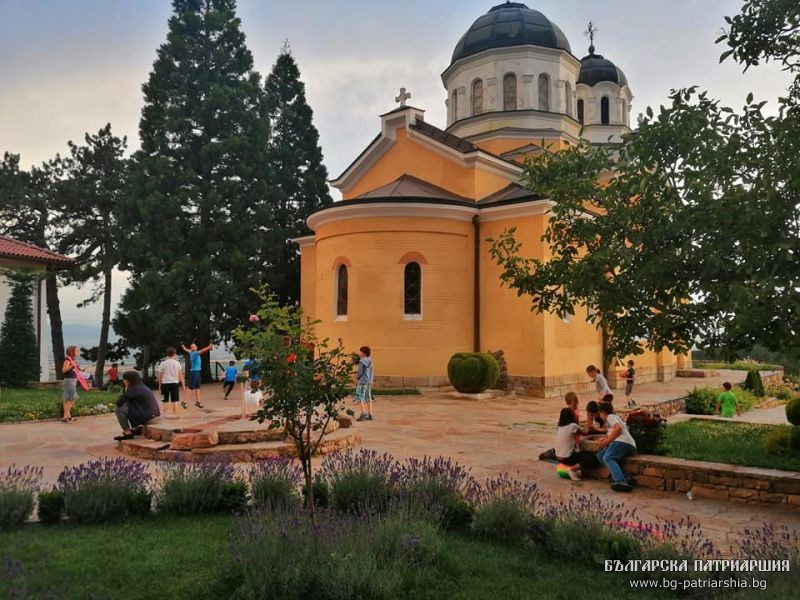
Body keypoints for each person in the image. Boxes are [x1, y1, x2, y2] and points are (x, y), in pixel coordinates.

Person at [596, 401, 637, 492]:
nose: (600, 416)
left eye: (600, 413)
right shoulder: (611, 420)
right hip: (625, 444)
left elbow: (618, 428)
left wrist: (607, 442)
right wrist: (604, 440)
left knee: (608, 457)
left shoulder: (610, 416)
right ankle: (626, 477)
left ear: (603, 412)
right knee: (600, 455)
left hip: (623, 442)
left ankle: (620, 481)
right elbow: (611, 433)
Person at [114, 371, 161, 441]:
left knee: (119, 409)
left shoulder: (133, 389)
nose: (123, 381)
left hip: (147, 417)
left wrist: (126, 389)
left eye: (124, 379)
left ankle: (127, 432)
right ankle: (135, 429)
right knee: (129, 404)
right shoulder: (141, 386)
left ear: (129, 380)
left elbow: (118, 402)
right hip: (154, 415)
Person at [554, 407, 588, 481]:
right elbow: (585, 433)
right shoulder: (573, 426)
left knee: (578, 452)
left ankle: (577, 471)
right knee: (591, 458)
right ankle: (572, 469)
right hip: (567, 457)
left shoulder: (559, 426)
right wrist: (587, 424)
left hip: (558, 456)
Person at [181, 342, 213, 408]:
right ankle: (184, 402)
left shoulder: (191, 352)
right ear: (192, 348)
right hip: (194, 372)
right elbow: (202, 350)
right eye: (192, 346)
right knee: (190, 387)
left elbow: (187, 350)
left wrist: (184, 347)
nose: (194, 347)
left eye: (195, 346)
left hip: (197, 372)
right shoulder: (195, 353)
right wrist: (209, 347)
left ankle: (198, 402)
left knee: (198, 387)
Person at [157, 347, 185, 414]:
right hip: (174, 384)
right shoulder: (177, 363)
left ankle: (165, 415)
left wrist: (159, 385)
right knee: (175, 401)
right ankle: (175, 415)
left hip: (164, 384)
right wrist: (183, 385)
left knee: (164, 400)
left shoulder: (163, 363)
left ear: (167, 354)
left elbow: (160, 376)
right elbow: (180, 375)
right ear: (174, 354)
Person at [61, 345, 81, 423]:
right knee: (71, 399)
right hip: (69, 381)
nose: (78, 352)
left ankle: (68, 417)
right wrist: (72, 365)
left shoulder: (71, 360)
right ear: (72, 352)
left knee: (68, 399)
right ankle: (65, 417)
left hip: (71, 381)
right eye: (77, 351)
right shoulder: (67, 360)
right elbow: (64, 370)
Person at [355, 346, 374, 422]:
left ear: (364, 353)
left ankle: (363, 413)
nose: (359, 353)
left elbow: (360, 373)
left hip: (362, 381)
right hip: (369, 381)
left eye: (360, 351)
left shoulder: (362, 361)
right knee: (368, 397)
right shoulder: (370, 360)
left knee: (359, 396)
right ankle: (370, 414)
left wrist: (357, 378)